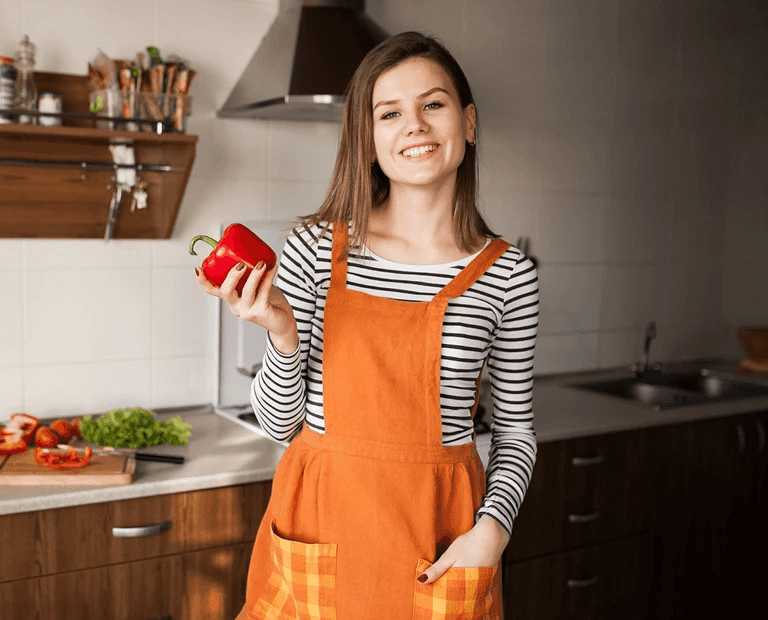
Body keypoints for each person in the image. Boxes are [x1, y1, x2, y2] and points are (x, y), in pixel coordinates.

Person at [196, 31, 538, 619]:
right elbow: (281, 427)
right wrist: (281, 335)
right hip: (319, 526)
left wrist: (492, 534)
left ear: (469, 122)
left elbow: (515, 432)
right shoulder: (313, 250)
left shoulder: (509, 274)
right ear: (368, 138)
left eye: (433, 104)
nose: (415, 125)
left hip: (438, 542)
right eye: (390, 112)